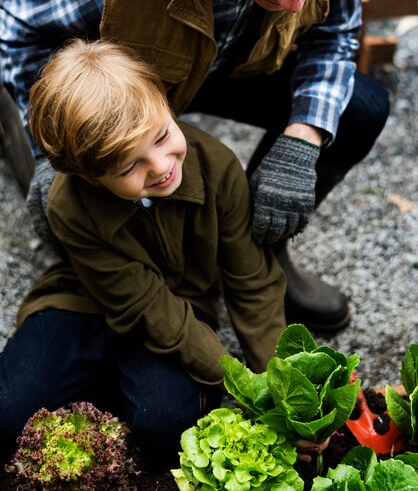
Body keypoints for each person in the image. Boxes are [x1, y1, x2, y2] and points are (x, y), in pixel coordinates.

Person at [0, 0, 390, 334]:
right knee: (72, 205)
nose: (294, 4)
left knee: (360, 109)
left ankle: (258, 256)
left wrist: (301, 142)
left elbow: (334, 37)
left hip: (235, 60)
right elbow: (18, 25)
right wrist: (47, 151)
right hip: (131, 71)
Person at [0, 38, 288, 467]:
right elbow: (145, 304)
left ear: (167, 105)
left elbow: (253, 284)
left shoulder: (218, 166)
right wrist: (237, 381)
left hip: (184, 307)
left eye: (163, 135)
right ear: (90, 177)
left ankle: (105, 387)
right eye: (130, 166)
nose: (160, 165)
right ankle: (100, 379)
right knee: (8, 417)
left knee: (166, 425)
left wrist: (275, 387)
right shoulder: (68, 203)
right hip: (87, 300)